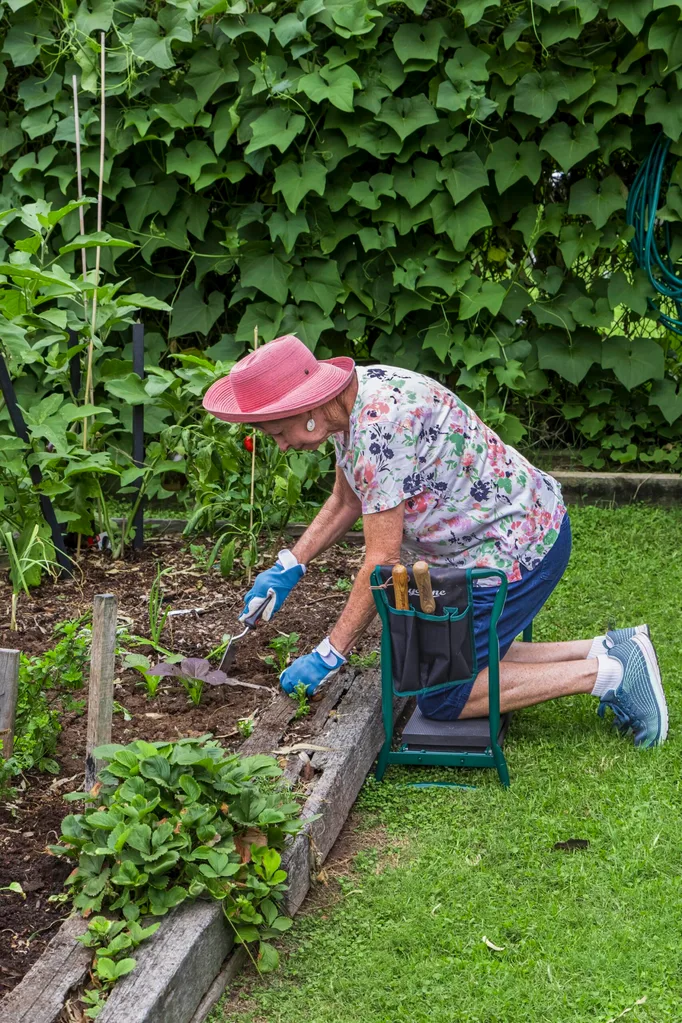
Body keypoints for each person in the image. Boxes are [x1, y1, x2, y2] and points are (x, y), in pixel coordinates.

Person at [202, 334, 668, 748]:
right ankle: (609, 648)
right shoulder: (353, 399)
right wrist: (291, 562)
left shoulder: (378, 432)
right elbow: (347, 500)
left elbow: (380, 562)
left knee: (443, 696)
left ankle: (611, 675)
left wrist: (329, 653)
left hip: (514, 550)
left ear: (304, 410)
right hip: (518, 525)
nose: (280, 446)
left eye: (278, 433)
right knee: (445, 658)